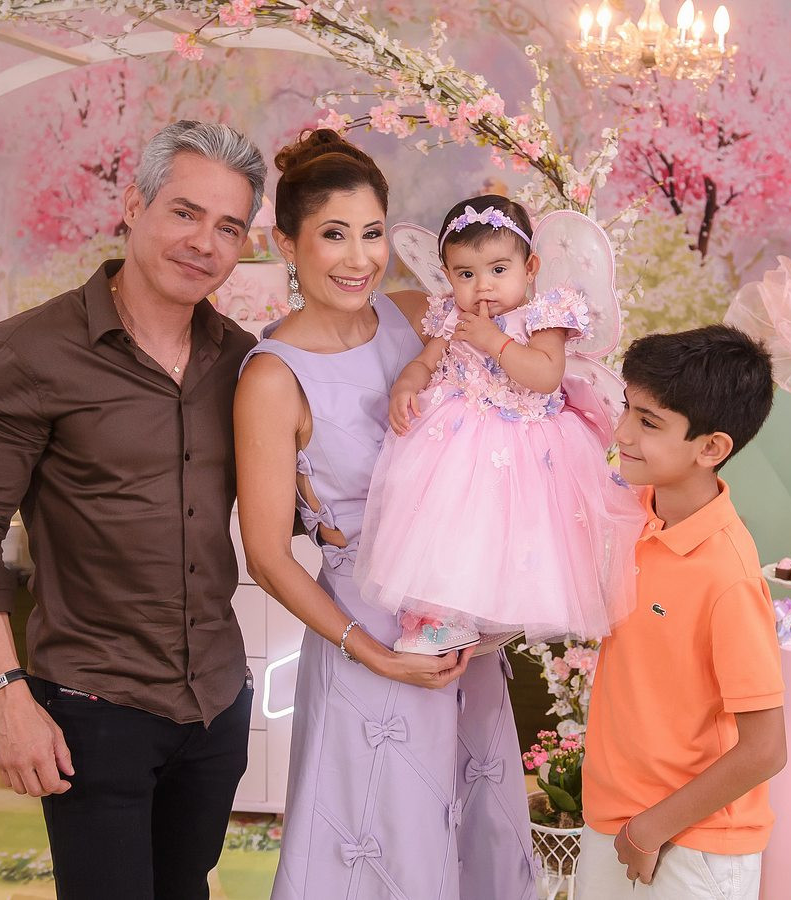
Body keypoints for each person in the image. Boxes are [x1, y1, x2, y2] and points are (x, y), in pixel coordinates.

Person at [0, 120, 267, 899]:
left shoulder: (244, 361)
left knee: (187, 890)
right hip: (93, 706)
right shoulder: (34, 351)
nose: (204, 242)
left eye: (228, 226)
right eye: (185, 212)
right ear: (134, 206)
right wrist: (5, 695)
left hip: (217, 703)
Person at [234, 131, 535, 900]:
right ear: (287, 243)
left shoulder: (415, 318)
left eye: (372, 233)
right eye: (334, 235)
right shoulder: (272, 378)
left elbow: (509, 396)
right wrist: (371, 651)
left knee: (474, 837)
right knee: (379, 847)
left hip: (459, 626)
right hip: (368, 636)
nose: (359, 258)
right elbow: (267, 556)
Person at [353, 194, 642, 654]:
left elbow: (545, 375)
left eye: (498, 269)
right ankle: (445, 617)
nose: (483, 286)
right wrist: (406, 385)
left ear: (530, 268)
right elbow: (426, 360)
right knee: (450, 523)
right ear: (448, 275)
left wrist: (494, 341)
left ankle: (494, 614)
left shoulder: (543, 317)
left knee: (515, 532)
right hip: (456, 437)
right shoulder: (453, 315)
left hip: (527, 443)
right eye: (466, 274)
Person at [576, 324, 787, 899]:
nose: (622, 431)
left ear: (711, 448)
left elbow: (766, 749)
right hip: (612, 822)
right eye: (627, 407)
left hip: (693, 844)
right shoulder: (630, 514)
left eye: (649, 422)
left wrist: (651, 829)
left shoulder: (728, 574)